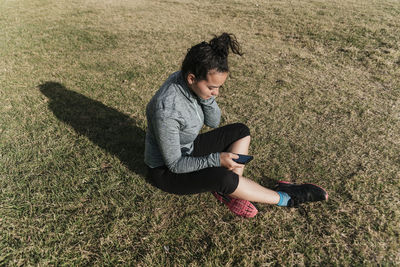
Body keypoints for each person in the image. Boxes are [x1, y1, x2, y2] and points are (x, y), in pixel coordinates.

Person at [144, 33, 328, 218]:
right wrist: (214, 160)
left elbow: (213, 121)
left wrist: (207, 98)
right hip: (167, 173)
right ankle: (287, 198)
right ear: (191, 78)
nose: (216, 93)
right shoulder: (166, 110)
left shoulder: (191, 84)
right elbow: (175, 164)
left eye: (219, 87)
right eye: (211, 87)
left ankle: (229, 192)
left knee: (240, 131)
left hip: (189, 148)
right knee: (223, 177)